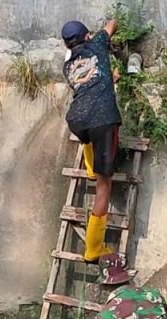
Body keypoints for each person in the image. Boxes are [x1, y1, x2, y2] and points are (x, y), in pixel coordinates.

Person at [61, 18, 122, 262]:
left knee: (88, 139)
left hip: (76, 119)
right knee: (104, 184)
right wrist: (107, 36)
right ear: (87, 36)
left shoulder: (67, 66)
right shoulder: (97, 42)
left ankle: (89, 168)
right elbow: (113, 23)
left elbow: (89, 83)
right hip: (102, 118)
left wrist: (111, 78)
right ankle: (93, 248)